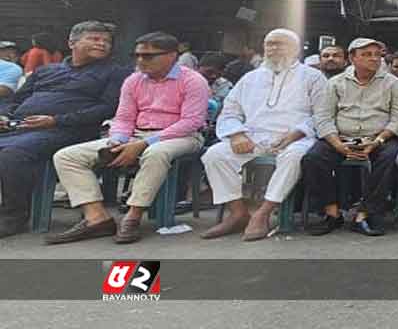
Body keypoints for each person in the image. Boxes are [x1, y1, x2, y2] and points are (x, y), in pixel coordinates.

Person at [47, 32, 209, 245]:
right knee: (66, 156)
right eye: (138, 55)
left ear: (172, 56)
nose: (141, 61)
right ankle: (97, 218)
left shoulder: (193, 81)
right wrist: (118, 140)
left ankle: (133, 216)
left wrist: (143, 144)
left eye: (149, 56)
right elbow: (124, 117)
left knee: (156, 153)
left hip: (182, 136)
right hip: (136, 134)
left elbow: (191, 121)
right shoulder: (134, 80)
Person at [0, 21, 128, 238]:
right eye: (95, 39)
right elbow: (16, 99)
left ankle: (14, 216)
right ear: (72, 43)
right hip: (20, 127)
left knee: (13, 154)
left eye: (106, 41)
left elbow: (106, 108)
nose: (102, 44)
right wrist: (4, 115)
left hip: (69, 131)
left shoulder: (115, 72)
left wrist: (55, 120)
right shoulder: (46, 71)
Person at [200, 29, 327, 241]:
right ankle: (238, 213)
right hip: (253, 137)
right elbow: (230, 111)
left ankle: (263, 213)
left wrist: (296, 133)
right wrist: (236, 135)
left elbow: (322, 115)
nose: (274, 49)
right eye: (270, 44)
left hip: (296, 138)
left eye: (280, 44)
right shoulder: (250, 78)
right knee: (214, 155)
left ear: (295, 49)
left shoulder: (313, 77)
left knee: (294, 157)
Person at [307, 38, 398, 236]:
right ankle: (332, 213)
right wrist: (337, 144)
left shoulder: (393, 83)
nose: (374, 59)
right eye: (367, 55)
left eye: (377, 55)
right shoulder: (335, 83)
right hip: (341, 137)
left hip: (378, 138)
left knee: (391, 157)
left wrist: (377, 141)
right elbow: (323, 118)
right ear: (352, 58)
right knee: (313, 158)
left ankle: (365, 213)